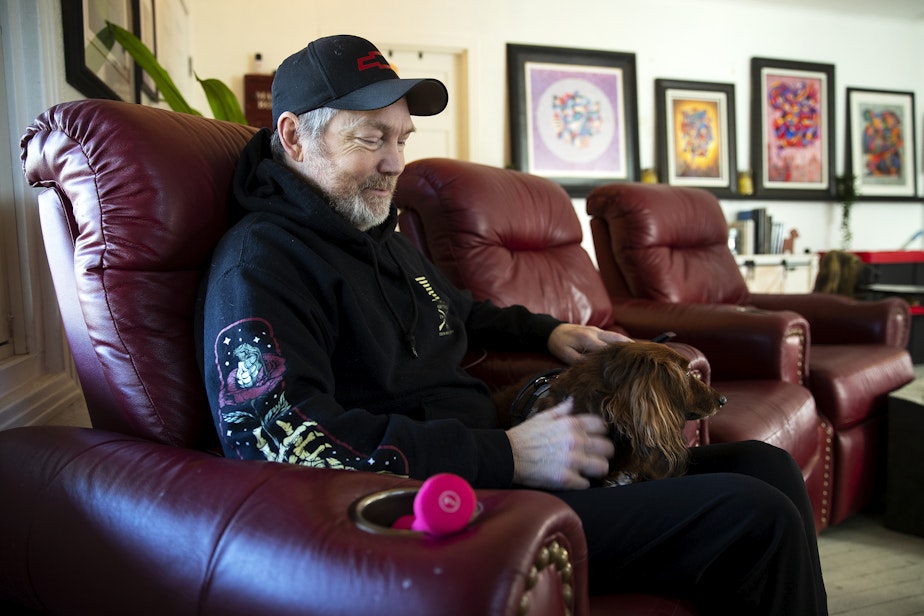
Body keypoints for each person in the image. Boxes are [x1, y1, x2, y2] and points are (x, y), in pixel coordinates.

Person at [197, 34, 827, 614]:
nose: (395, 162)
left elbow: (459, 309)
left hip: (500, 461)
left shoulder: (374, 231)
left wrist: (547, 333)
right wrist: (508, 456)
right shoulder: (261, 263)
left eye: (402, 139)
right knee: (754, 515)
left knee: (762, 467)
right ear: (294, 136)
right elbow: (283, 441)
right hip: (436, 506)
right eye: (370, 139)